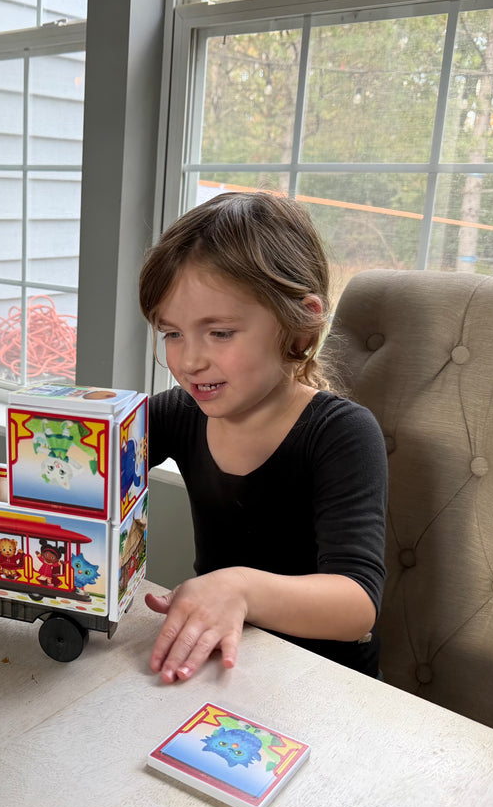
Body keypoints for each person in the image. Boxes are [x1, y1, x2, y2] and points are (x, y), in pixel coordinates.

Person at [139, 191, 387, 682]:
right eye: (172, 333)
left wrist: (240, 589)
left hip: (321, 684)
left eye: (220, 333)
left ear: (299, 327)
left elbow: (358, 604)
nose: (189, 361)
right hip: (222, 666)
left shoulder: (341, 433)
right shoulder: (180, 412)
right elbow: (92, 466)